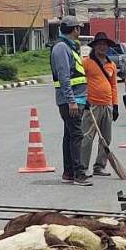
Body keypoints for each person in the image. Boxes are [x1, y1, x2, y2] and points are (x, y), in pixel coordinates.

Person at [49, 16, 90, 185]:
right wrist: (72, 101)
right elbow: (64, 77)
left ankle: (69, 173)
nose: (79, 30)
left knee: (70, 136)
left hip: (77, 98)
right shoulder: (61, 48)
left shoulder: (70, 47)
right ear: (75, 29)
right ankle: (78, 174)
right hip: (70, 101)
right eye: (79, 28)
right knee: (76, 136)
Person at [81, 32, 120, 177]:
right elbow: (81, 82)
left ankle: (99, 166)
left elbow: (114, 86)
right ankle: (83, 167)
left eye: (105, 44)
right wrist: (83, 99)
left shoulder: (111, 65)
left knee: (106, 138)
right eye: (100, 44)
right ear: (95, 46)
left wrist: (115, 105)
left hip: (107, 105)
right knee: (87, 137)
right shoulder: (86, 62)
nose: (102, 47)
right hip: (92, 105)